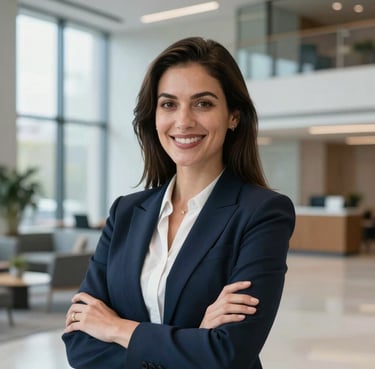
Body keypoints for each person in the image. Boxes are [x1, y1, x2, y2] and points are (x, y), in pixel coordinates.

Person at [62, 36, 295, 369]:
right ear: (153, 115)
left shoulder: (263, 213)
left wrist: (116, 328)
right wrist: (193, 341)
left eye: (203, 103)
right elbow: (80, 343)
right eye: (169, 104)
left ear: (233, 116)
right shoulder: (125, 212)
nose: (183, 121)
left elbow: (229, 352)